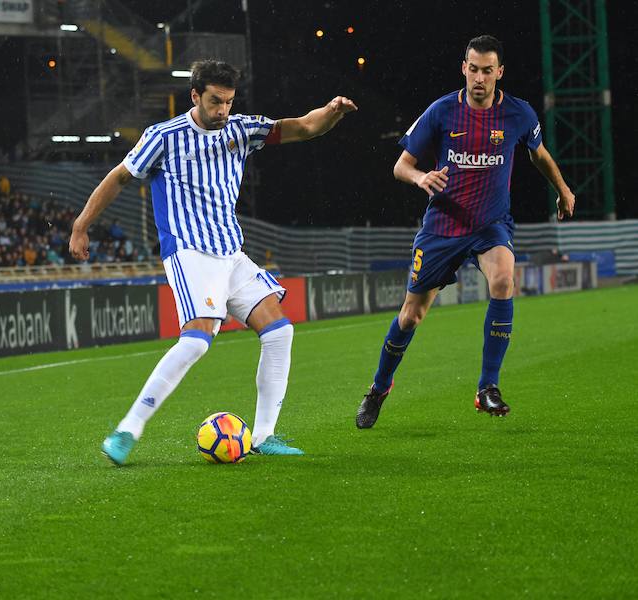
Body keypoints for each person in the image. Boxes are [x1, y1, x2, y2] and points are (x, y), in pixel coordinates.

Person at [69, 59, 357, 464]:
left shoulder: (241, 128)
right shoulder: (164, 136)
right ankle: (127, 430)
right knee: (198, 339)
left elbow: (304, 126)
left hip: (230, 254)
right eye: (215, 101)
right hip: (189, 252)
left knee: (279, 332)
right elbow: (119, 177)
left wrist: (331, 113)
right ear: (195, 96)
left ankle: (264, 435)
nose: (223, 110)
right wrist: (82, 225)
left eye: (229, 102)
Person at [355, 35, 575, 428]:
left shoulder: (519, 114)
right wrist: (421, 177)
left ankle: (487, 387)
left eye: (487, 71)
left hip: (491, 226)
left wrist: (563, 189)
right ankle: (379, 387)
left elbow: (538, 154)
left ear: (499, 73)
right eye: (473, 69)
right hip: (442, 227)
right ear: (464, 68)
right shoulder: (441, 112)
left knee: (505, 279)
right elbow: (401, 165)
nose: (479, 78)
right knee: (411, 316)